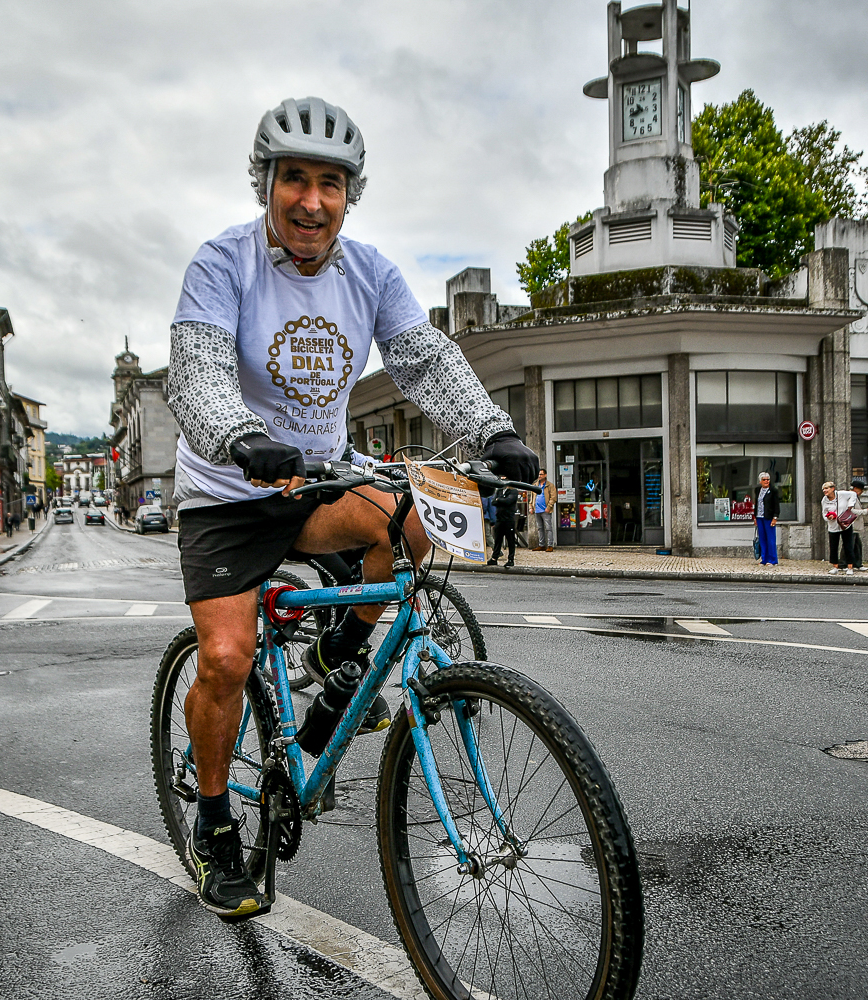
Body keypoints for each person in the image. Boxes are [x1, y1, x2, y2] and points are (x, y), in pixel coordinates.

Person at [163, 96, 538, 920]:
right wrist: (239, 436)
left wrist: (494, 431)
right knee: (225, 658)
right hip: (230, 493)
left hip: (318, 483)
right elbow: (196, 370)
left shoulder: (370, 272)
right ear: (265, 183)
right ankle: (215, 822)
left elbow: (422, 358)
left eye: (328, 184)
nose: (310, 200)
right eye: (293, 179)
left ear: (349, 194)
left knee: (411, 519)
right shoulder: (223, 262)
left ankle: (339, 664)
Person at [487, 485, 519, 567]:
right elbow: (493, 502)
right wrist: (500, 500)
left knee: (510, 540)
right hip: (499, 519)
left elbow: (508, 501)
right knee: (497, 540)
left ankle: (510, 559)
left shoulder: (513, 491)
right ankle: (494, 558)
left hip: (508, 519)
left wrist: (499, 500)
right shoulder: (499, 490)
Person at [753, 471, 780, 566]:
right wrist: (755, 517)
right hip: (759, 517)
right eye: (764, 479)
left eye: (767, 479)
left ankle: (772, 559)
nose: (766, 481)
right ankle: (764, 559)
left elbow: (776, 505)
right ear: (760, 481)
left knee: (770, 539)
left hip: (769, 517)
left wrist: (775, 517)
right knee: (762, 539)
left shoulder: (773, 491)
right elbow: (757, 503)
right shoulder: (757, 490)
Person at [530, 469, 555, 551]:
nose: (539, 476)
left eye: (541, 474)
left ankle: (550, 545)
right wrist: (531, 507)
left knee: (548, 528)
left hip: (545, 510)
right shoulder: (535, 486)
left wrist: (549, 507)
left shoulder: (550, 485)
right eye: (538, 474)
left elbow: (553, 497)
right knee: (540, 528)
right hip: (537, 510)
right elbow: (532, 497)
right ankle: (541, 545)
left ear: (545, 475)